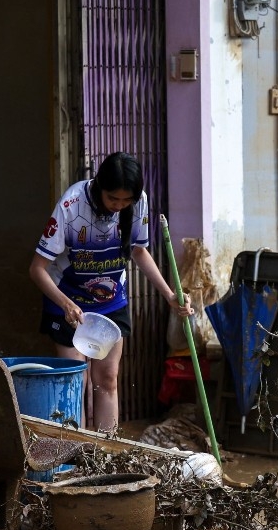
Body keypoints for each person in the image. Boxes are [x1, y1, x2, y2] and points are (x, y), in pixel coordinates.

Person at [29, 152, 192, 432]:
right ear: (99, 187)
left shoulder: (138, 202)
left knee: (108, 378)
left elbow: (140, 252)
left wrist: (169, 295)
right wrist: (66, 304)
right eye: (113, 199)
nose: (119, 206)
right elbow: (37, 269)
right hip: (67, 303)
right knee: (74, 382)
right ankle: (73, 457)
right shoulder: (71, 205)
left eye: (125, 201)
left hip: (110, 302)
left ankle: (106, 455)